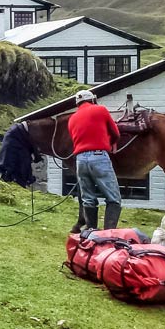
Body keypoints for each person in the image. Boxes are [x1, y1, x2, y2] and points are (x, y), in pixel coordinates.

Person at [67, 90, 122, 233]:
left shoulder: (72, 119)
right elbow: (115, 132)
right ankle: (108, 234)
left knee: (88, 199)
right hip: (98, 156)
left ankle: (91, 232)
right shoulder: (101, 110)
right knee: (114, 198)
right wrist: (113, 142)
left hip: (80, 160)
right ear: (92, 100)